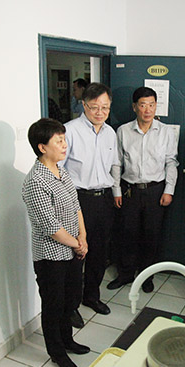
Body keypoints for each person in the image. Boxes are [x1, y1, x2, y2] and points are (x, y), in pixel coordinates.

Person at [21, 118, 91, 367]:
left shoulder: (62, 172)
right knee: (54, 305)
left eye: (64, 139)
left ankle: (68, 341)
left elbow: (76, 206)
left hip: (72, 250)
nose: (64, 145)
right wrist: (78, 244)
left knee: (70, 300)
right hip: (51, 256)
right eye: (58, 141)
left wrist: (83, 237)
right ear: (42, 147)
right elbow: (51, 226)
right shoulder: (35, 181)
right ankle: (57, 352)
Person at [109, 86, 179, 293]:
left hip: (156, 191)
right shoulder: (123, 131)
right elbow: (116, 163)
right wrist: (116, 190)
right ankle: (125, 274)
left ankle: (147, 276)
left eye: (151, 105)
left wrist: (169, 190)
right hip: (129, 190)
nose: (147, 110)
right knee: (127, 234)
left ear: (156, 106)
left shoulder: (166, 132)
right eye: (142, 105)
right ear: (134, 107)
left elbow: (171, 162)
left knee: (152, 235)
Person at [61, 82, 117, 318]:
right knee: (77, 253)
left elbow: (113, 166)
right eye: (94, 107)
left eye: (105, 107)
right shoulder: (69, 131)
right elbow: (59, 171)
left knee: (99, 253)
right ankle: (71, 305)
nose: (100, 112)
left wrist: (116, 194)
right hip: (78, 200)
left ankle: (91, 296)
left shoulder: (110, 133)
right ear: (84, 105)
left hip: (103, 200)